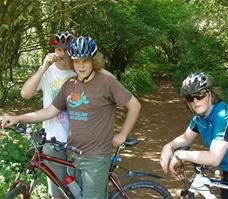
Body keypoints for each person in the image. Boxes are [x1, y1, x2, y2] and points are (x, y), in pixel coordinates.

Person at [1, 35, 141, 199]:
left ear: (93, 60)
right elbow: (50, 111)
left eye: (85, 61)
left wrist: (122, 134)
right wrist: (18, 118)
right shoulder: (70, 84)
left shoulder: (107, 82)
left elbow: (135, 105)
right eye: (77, 61)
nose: (81, 66)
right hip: (73, 155)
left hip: (95, 157)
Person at [160, 72, 228, 199]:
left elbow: (214, 158)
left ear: (210, 94)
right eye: (189, 98)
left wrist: (180, 155)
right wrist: (169, 146)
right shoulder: (199, 117)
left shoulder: (223, 115)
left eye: (199, 95)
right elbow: (186, 138)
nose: (195, 101)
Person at [20, 31, 76, 199]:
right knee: (57, 192)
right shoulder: (47, 71)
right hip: (53, 141)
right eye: (58, 49)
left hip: (78, 142)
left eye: (66, 49)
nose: (62, 53)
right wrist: (43, 67)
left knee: (77, 190)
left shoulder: (80, 70)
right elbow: (25, 94)